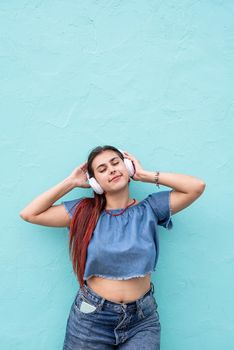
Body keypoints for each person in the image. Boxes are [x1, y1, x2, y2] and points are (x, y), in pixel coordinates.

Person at [19, 145, 206, 349]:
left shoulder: (150, 208)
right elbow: (30, 213)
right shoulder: (84, 212)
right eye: (102, 169)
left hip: (142, 321)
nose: (112, 169)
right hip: (91, 318)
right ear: (94, 183)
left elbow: (196, 186)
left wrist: (144, 175)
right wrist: (71, 182)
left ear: (127, 167)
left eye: (116, 163)